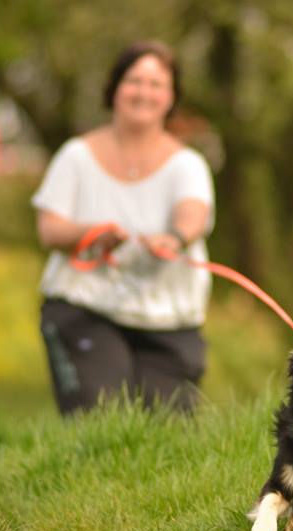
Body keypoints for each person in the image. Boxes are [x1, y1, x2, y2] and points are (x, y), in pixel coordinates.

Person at [33, 41, 214, 415]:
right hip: (86, 307)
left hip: (168, 320)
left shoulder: (188, 164)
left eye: (156, 84)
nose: (144, 92)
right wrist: (90, 233)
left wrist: (174, 238)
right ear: (115, 88)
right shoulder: (76, 156)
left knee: (170, 435)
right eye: (134, 81)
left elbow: (193, 214)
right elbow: (49, 229)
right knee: (101, 421)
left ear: (170, 97)